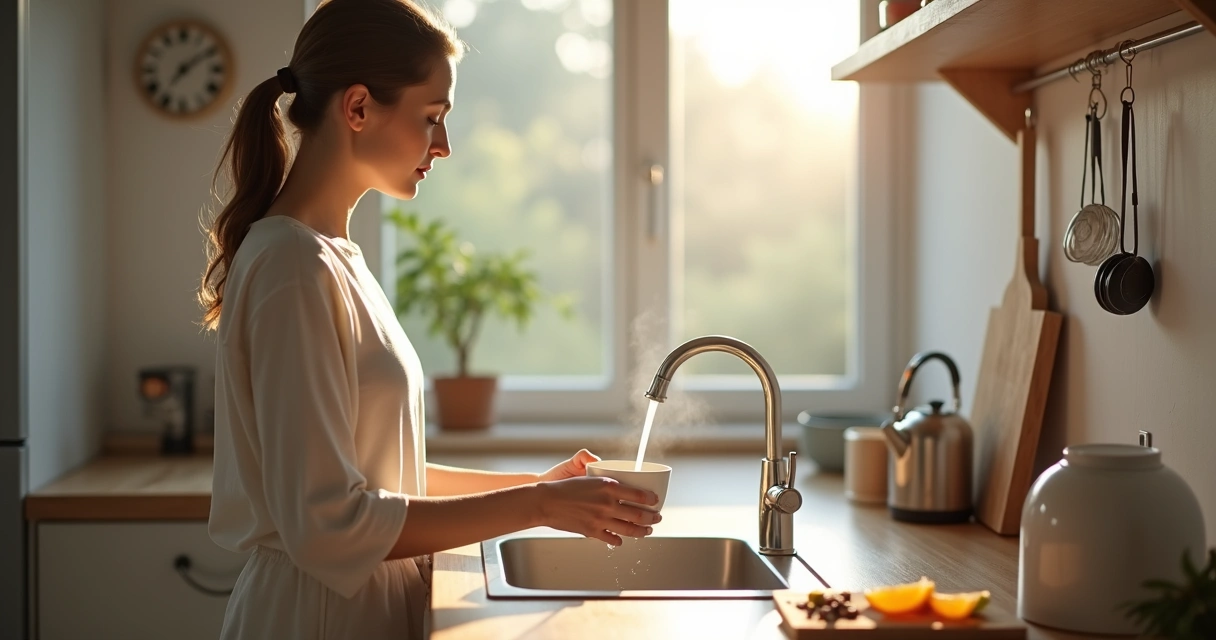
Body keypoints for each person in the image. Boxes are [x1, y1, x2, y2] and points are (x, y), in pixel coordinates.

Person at [197, 1, 660, 638]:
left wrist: (537, 487)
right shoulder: (292, 267)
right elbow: (330, 521)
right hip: (320, 616)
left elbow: (383, 477)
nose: (443, 145)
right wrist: (540, 504)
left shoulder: (331, 256)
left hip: (356, 603)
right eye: (432, 118)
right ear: (357, 108)